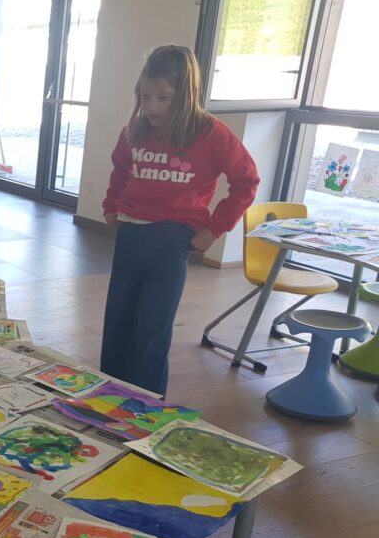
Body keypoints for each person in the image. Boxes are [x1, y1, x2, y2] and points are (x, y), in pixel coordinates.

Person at [100, 45, 260, 395]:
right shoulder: (136, 128)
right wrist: (111, 205)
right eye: (145, 96)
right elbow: (121, 170)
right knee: (118, 323)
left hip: (172, 240)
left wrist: (214, 229)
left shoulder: (211, 132)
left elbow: (246, 181)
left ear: (186, 94)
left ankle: (147, 405)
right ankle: (108, 397)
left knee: (153, 329)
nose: (152, 106)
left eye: (163, 98)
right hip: (129, 233)